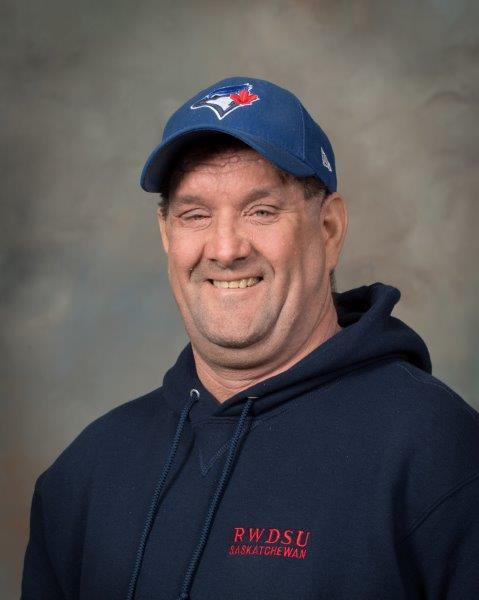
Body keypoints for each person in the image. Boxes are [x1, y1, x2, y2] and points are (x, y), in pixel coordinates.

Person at [22, 77, 479, 600]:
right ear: (167, 234)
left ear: (329, 229)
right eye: (195, 215)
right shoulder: (85, 473)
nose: (225, 249)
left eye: (261, 211)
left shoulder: (439, 455)